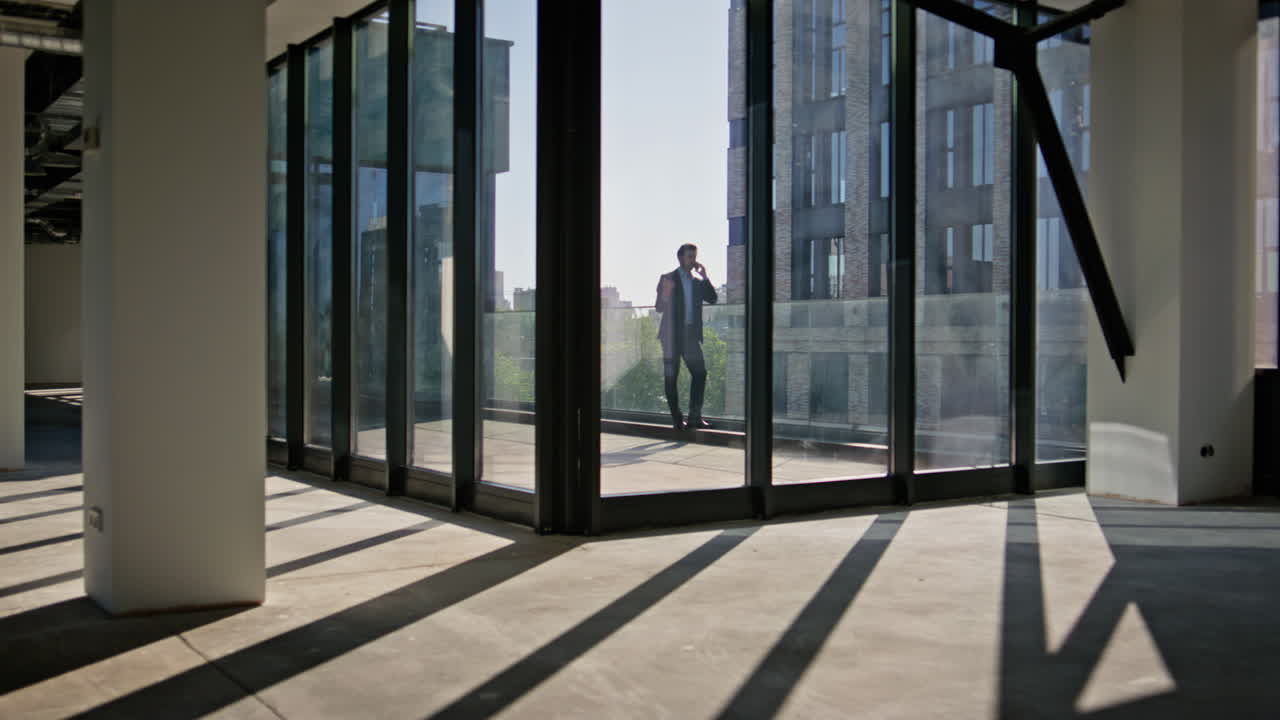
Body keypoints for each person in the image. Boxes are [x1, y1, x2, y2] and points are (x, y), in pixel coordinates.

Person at [655, 243, 718, 431]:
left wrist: (705, 276)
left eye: (694, 256)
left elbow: (713, 298)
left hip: (690, 336)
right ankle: (677, 420)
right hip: (671, 337)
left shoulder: (697, 282)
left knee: (700, 374)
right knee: (671, 378)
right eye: (690, 256)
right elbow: (658, 307)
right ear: (680, 258)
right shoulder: (667, 278)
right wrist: (665, 296)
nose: (693, 260)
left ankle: (694, 418)